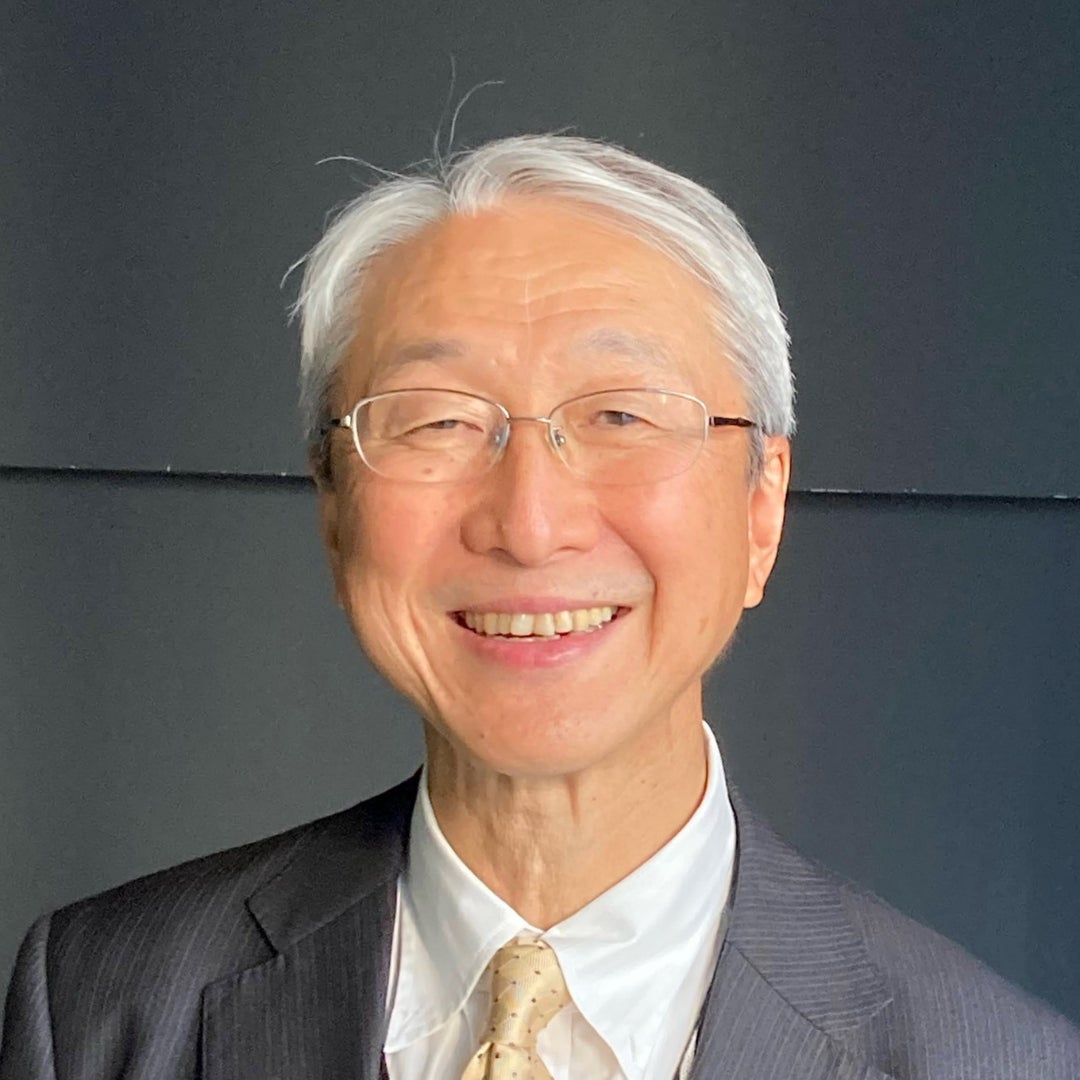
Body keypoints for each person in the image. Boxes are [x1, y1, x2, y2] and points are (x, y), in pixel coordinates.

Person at [2, 134, 1078, 1080]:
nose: (529, 523)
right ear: (334, 514)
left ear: (762, 509)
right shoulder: (101, 1006)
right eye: (438, 421)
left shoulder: (997, 1061)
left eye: (620, 415)